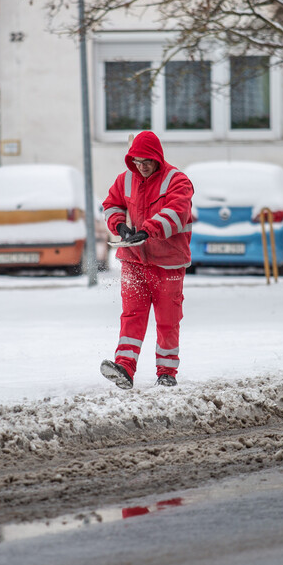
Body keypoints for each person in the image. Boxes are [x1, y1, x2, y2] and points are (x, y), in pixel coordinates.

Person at [100, 130, 194, 389]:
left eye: (146, 162)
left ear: (157, 158)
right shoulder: (125, 179)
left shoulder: (178, 181)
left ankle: (167, 372)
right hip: (134, 260)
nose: (141, 167)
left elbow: (177, 213)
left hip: (168, 263)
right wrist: (120, 226)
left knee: (167, 320)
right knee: (132, 315)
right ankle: (124, 367)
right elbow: (111, 205)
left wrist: (148, 230)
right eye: (137, 162)